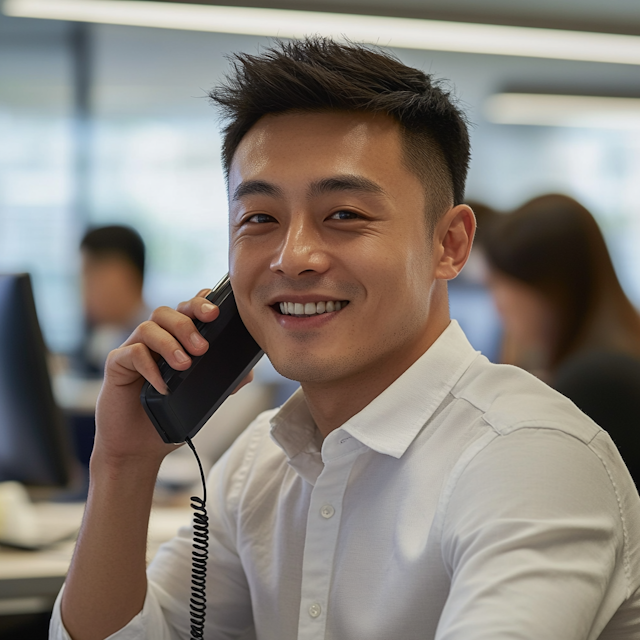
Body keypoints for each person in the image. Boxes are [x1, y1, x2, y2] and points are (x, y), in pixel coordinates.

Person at [51, 39, 640, 640]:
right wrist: (122, 466)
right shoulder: (260, 461)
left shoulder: (529, 458)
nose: (293, 256)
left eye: (344, 215)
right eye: (260, 218)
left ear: (450, 245)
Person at [483, 194, 640, 485]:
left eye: (499, 285)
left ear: (544, 288)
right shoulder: (613, 356)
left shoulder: (596, 380)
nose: (497, 305)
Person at [78, 225, 150, 375]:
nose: (83, 289)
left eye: (89, 275)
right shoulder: (105, 338)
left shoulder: (152, 344)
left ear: (125, 275)